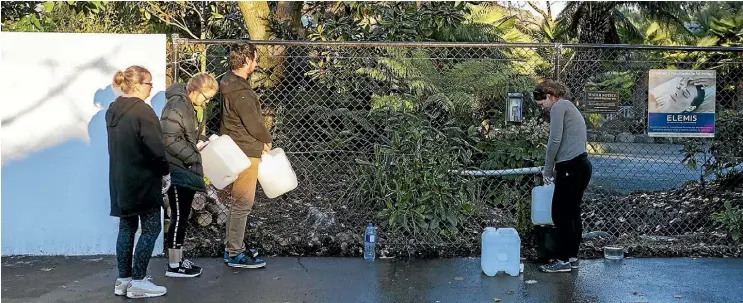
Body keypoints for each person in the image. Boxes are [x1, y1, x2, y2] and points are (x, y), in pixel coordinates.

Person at [106, 66, 170, 298]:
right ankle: (140, 280)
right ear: (138, 85)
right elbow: (156, 148)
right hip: (143, 178)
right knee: (151, 228)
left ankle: (123, 279)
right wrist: (165, 172)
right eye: (149, 84)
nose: (152, 88)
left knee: (127, 227)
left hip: (120, 179)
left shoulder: (112, 109)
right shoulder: (143, 111)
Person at [160, 73, 219, 277]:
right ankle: (174, 265)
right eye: (206, 96)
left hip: (186, 167)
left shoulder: (193, 107)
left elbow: (190, 135)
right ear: (194, 90)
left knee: (182, 216)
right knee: (178, 216)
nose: (207, 101)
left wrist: (203, 141)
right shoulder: (177, 104)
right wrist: (194, 155)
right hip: (177, 167)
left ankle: (178, 259)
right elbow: (169, 138)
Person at [219, 43, 271, 268]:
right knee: (243, 202)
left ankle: (232, 245)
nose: (256, 64)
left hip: (232, 147)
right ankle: (235, 253)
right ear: (247, 60)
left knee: (236, 202)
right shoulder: (241, 91)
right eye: (255, 59)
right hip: (246, 149)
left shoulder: (226, 82)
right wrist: (266, 140)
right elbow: (253, 123)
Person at [533, 79, 593, 273]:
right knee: (572, 213)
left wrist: (548, 168)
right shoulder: (570, 107)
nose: (543, 107)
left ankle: (562, 260)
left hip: (570, 166)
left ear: (549, 96)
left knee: (560, 214)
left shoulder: (559, 107)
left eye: (542, 103)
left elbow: (555, 138)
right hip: (581, 165)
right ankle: (572, 257)